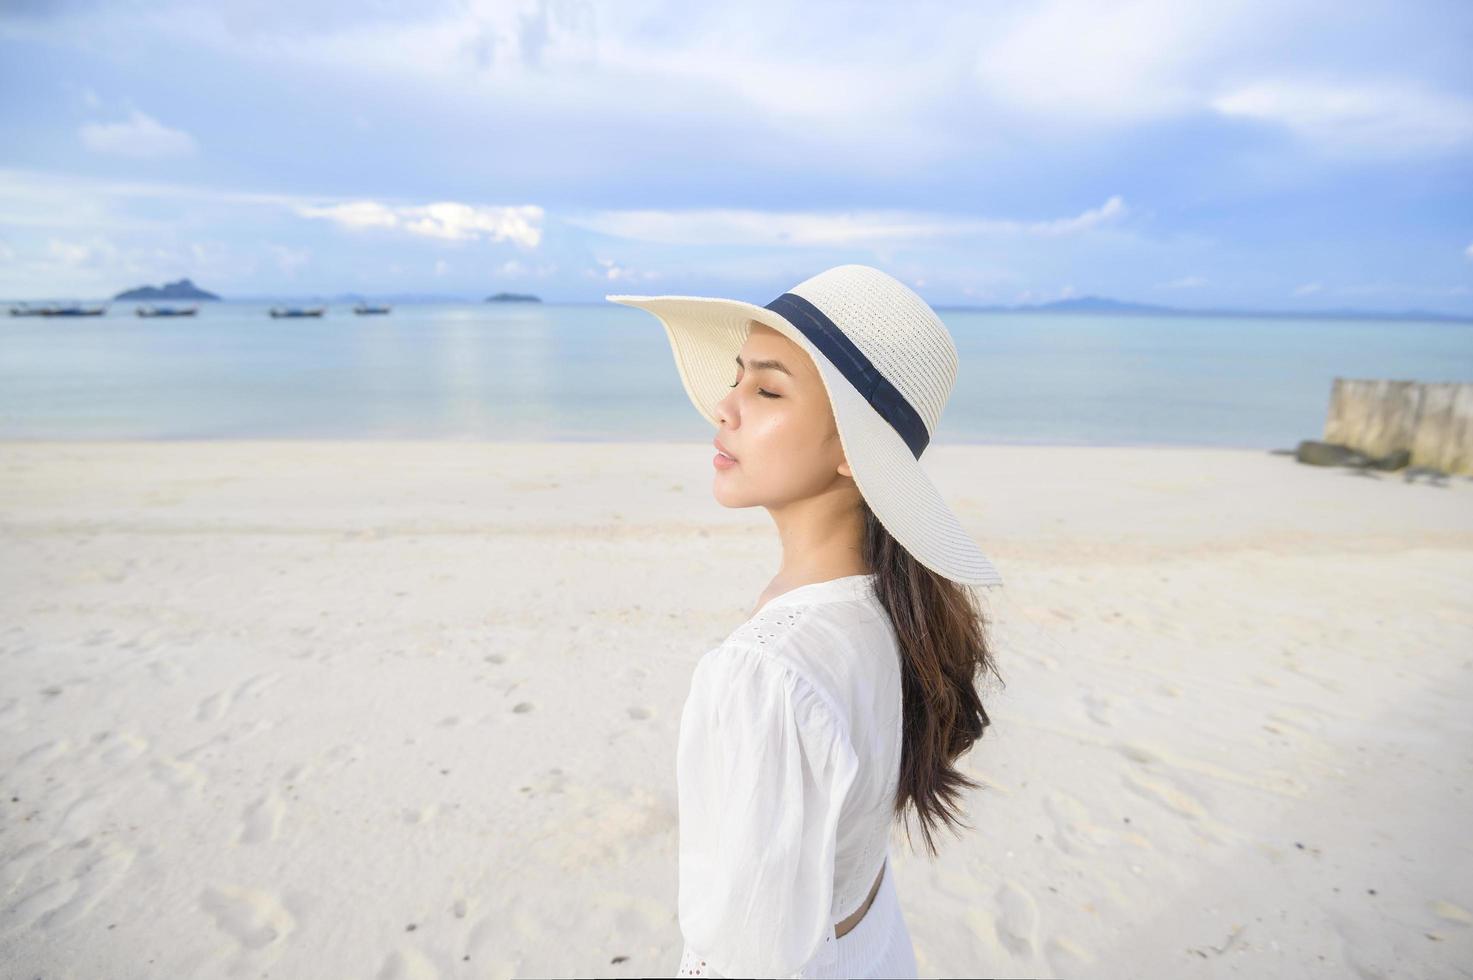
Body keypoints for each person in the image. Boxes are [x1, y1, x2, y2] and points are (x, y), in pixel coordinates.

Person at [607, 264, 1005, 979]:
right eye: (736, 378)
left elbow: (744, 954)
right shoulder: (888, 609)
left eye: (766, 388)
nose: (724, 408)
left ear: (853, 450)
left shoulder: (767, 669)